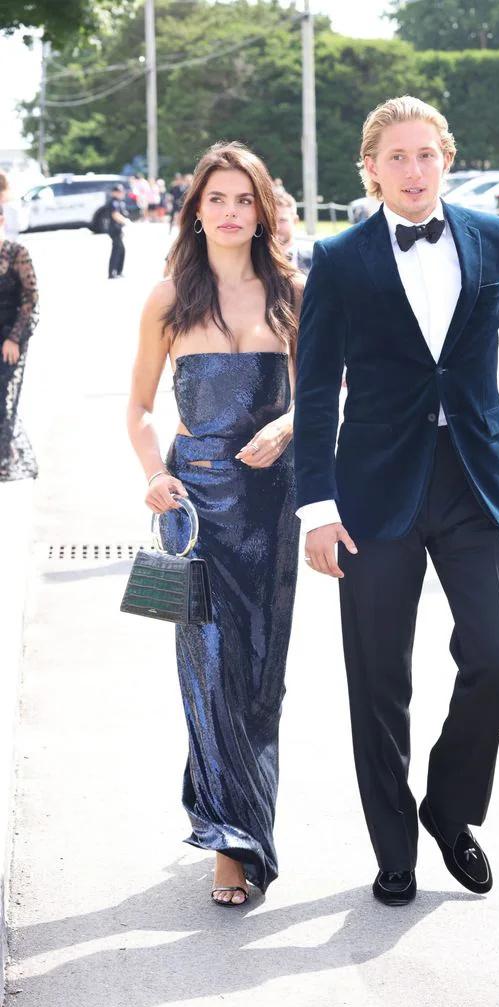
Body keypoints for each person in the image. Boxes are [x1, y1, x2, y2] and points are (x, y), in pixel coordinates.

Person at [294, 96, 499, 906]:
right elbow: (314, 394)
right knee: (379, 679)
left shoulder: (493, 236)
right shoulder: (339, 258)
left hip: (473, 477)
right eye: (397, 157)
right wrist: (316, 508)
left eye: (426, 154)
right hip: (372, 489)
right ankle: (394, 849)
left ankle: (447, 806)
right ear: (370, 169)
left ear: (447, 158)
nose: (414, 171)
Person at [127, 141, 304, 907]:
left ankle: (244, 816)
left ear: (262, 211)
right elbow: (138, 408)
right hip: (191, 512)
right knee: (205, 669)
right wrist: (153, 474)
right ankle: (229, 845)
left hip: (269, 507)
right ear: (195, 210)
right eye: (217, 199)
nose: (231, 212)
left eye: (244, 200)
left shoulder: (292, 292)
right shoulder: (168, 299)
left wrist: (289, 425)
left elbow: (323, 393)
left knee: (258, 676)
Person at [0, 202, 39, 481]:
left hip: (9, 337)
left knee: (3, 398)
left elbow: (30, 299)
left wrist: (14, 338)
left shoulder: (16, 253)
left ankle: (4, 456)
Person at [275, 192, 311, 273]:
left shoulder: (314, 260)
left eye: (282, 220)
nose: (276, 227)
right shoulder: (254, 261)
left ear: (295, 221)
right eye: (271, 220)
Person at [106, 184, 128, 279]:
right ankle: (112, 273)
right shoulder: (113, 202)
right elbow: (115, 215)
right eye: (119, 192)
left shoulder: (119, 202)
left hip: (118, 229)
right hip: (114, 229)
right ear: (114, 193)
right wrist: (125, 221)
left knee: (121, 250)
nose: (121, 193)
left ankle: (118, 271)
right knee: (117, 250)